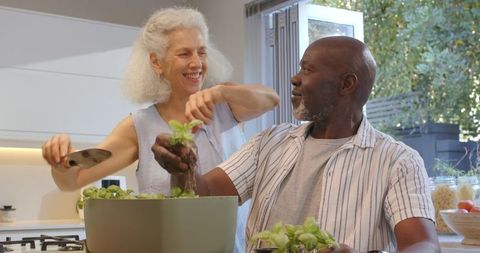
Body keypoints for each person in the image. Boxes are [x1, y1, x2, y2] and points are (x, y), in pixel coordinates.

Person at [151, 36, 440, 253]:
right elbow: (209, 193)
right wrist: (182, 168)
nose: (295, 79)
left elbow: (423, 243)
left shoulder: (398, 161)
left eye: (308, 70)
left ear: (346, 84)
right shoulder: (269, 142)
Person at [41, 7, 279, 253]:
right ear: (156, 62)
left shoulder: (227, 104)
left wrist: (219, 92)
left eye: (201, 52)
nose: (196, 63)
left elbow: (271, 99)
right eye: (184, 54)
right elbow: (73, 181)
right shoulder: (139, 126)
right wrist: (62, 165)